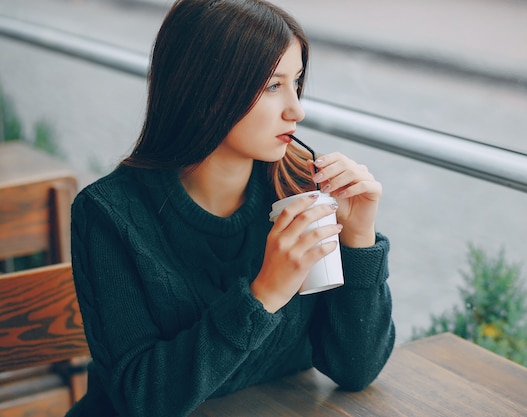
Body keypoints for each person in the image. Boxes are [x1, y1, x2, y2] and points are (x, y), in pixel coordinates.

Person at [67, 0, 395, 415]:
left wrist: (360, 239)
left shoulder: (301, 187)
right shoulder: (109, 214)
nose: (297, 109)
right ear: (205, 91)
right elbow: (142, 400)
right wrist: (265, 294)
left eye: (296, 83)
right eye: (273, 86)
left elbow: (356, 370)